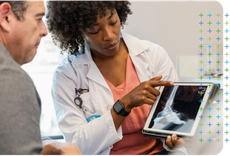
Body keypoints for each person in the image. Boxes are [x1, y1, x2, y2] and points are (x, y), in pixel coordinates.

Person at [47, 0, 186, 155]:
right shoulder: (67, 75)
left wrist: (175, 138)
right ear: (78, 31)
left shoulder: (153, 55)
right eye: (94, 30)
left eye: (113, 22)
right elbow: (77, 145)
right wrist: (125, 104)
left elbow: (174, 114)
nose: (109, 35)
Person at [0, 0, 82, 155]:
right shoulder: (7, 78)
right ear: (6, 17)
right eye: (38, 18)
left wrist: (46, 144)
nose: (44, 30)